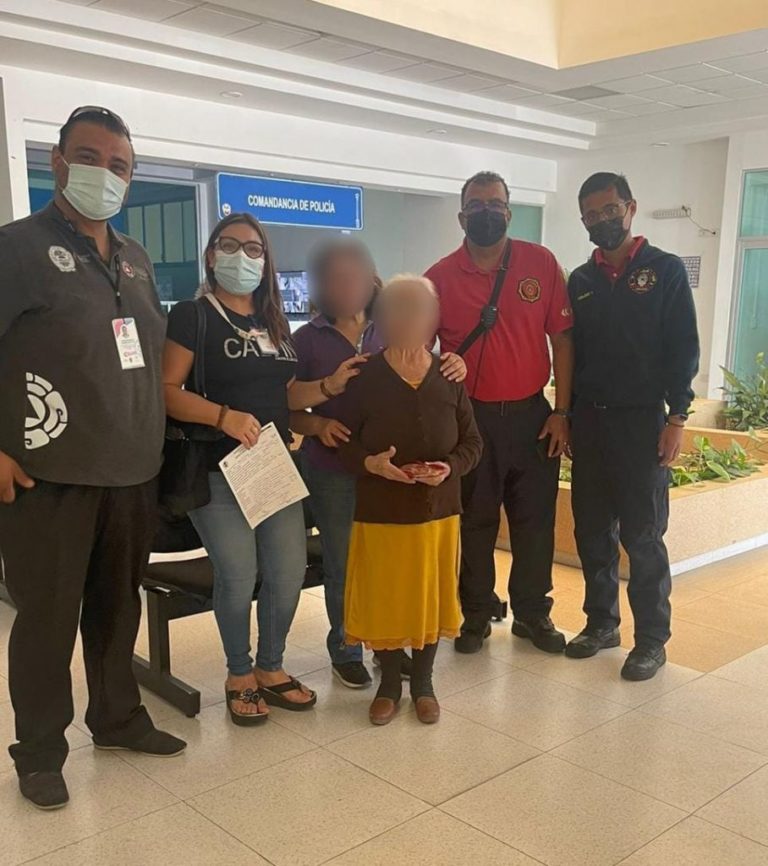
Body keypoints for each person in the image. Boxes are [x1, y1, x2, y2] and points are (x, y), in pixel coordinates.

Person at [0, 106, 186, 811]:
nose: (104, 174)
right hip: (48, 473)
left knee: (115, 610)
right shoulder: (15, 249)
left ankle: (117, 719)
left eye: (118, 165)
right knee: (47, 622)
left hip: (132, 471)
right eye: (89, 157)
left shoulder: (134, 258)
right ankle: (40, 751)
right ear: (57, 162)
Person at [291, 238, 467, 688]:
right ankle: (347, 646)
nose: (346, 285)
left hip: (395, 481)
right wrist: (317, 424)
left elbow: (428, 374)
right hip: (334, 468)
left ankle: (392, 645)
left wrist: (455, 366)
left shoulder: (388, 327)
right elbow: (285, 404)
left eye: (354, 276)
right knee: (346, 563)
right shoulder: (306, 339)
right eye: (335, 278)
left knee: (395, 568)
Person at [163, 213, 317, 726]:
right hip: (216, 466)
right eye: (230, 246)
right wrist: (222, 416)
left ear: (266, 260)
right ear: (211, 255)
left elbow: (285, 393)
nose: (242, 256)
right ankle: (239, 673)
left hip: (272, 466)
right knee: (238, 573)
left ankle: (271, 667)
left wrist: (329, 387)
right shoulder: (193, 315)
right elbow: (166, 391)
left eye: (254, 249)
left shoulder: (275, 321)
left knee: (288, 571)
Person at [426, 171, 574, 655]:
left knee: (535, 522)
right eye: (476, 205)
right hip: (471, 422)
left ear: (509, 212)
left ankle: (533, 614)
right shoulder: (439, 277)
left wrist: (562, 411)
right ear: (461, 216)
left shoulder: (540, 263)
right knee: (475, 522)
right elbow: (419, 354)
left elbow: (562, 340)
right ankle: (474, 614)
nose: (486, 211)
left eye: (495, 204)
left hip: (534, 416)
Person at [565, 172, 699, 681]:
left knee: (643, 537)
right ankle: (602, 624)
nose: (602, 220)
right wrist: (567, 415)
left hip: (643, 423)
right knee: (591, 532)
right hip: (589, 423)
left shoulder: (664, 270)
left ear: (630, 207)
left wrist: (677, 417)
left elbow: (682, 347)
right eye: (592, 215)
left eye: (610, 209)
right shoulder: (581, 280)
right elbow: (573, 355)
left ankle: (651, 641)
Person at [338, 275, 482, 725]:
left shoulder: (449, 374)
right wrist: (370, 464)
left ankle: (423, 683)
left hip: (438, 511)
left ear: (433, 318)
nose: (408, 317)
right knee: (387, 597)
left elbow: (473, 444)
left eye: (419, 308)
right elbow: (341, 442)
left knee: (429, 597)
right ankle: (388, 684)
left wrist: (449, 468)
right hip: (381, 510)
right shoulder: (363, 376)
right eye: (397, 307)